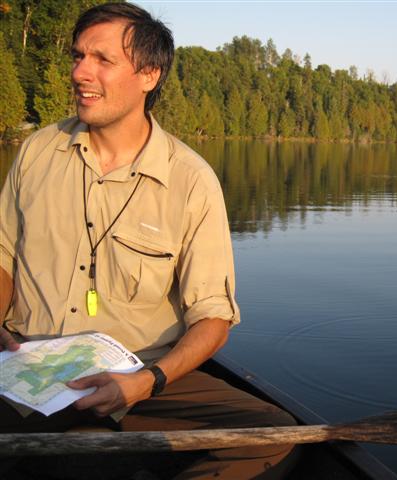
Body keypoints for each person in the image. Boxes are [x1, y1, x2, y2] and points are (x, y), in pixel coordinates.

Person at [0, 3, 297, 478]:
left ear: (149, 75)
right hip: (25, 366)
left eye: (101, 60)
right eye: (78, 57)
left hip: (137, 372)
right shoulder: (38, 151)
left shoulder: (190, 180)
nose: (80, 72)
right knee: (77, 462)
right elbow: (4, 259)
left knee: (270, 435)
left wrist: (146, 381)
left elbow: (214, 317)